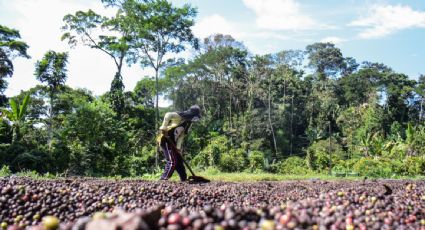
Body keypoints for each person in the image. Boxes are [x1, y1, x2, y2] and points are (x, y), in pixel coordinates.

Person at [156, 105, 201, 181]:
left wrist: (178, 148)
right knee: (172, 161)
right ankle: (163, 179)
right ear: (191, 114)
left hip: (173, 142)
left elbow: (181, 136)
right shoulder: (180, 116)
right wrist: (164, 127)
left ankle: (184, 179)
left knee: (179, 161)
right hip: (165, 139)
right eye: (194, 117)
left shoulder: (188, 123)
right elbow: (168, 114)